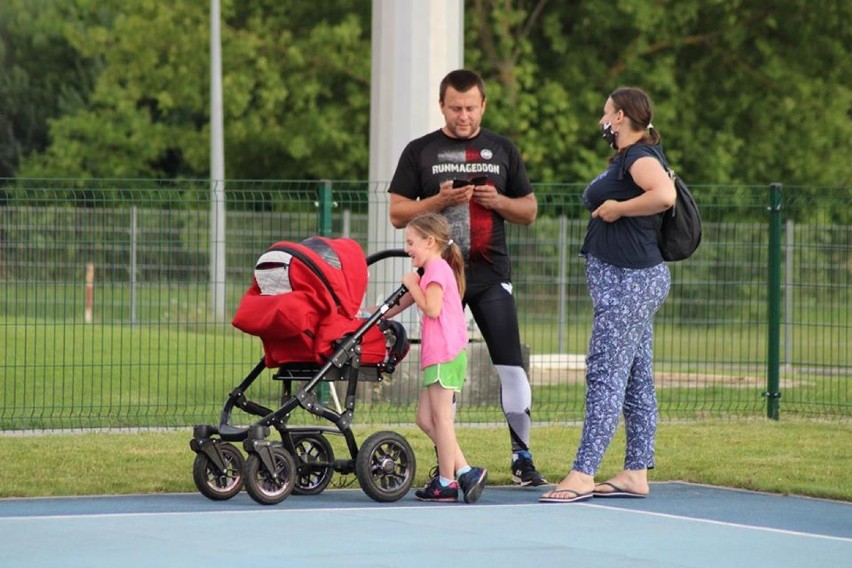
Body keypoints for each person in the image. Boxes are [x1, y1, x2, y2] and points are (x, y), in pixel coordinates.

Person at [387, 68, 546, 487]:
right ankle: (451, 467)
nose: (464, 116)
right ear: (442, 105)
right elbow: (397, 213)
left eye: (471, 108)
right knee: (445, 368)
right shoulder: (420, 151)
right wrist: (438, 200)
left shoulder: (502, 149)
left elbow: (529, 211)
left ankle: (522, 457)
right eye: (455, 108)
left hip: (491, 274)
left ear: (483, 106)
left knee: (510, 365)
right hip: (441, 276)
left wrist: (500, 201)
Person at [539, 87, 676, 503]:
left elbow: (664, 196)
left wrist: (617, 208)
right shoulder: (629, 158)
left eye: (605, 113)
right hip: (627, 280)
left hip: (630, 282)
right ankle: (635, 471)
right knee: (634, 376)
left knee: (605, 373)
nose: (601, 120)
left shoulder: (640, 157)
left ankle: (583, 472)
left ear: (619, 117)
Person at [384, 212, 488, 503]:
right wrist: (373, 315)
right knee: (424, 418)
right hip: (436, 354)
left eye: (411, 242)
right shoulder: (428, 272)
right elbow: (401, 303)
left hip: (446, 353)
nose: (407, 249)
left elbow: (430, 307)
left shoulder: (438, 269)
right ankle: (465, 470)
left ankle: (447, 482)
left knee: (441, 419)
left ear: (429, 242)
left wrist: (411, 283)